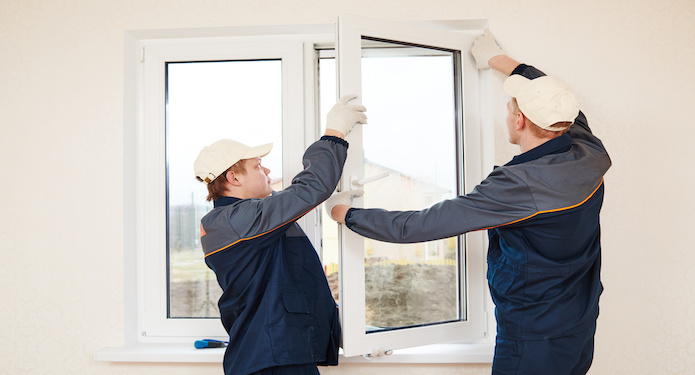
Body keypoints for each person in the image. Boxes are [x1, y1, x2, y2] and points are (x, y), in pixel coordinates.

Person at [326, 30, 611, 375]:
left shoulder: (518, 186)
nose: (507, 115)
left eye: (510, 109)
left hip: (533, 336)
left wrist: (347, 214)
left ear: (519, 120)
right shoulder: (588, 151)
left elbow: (420, 225)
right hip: (579, 323)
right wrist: (499, 60)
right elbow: (558, 96)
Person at [194, 95, 367, 375]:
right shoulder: (239, 219)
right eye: (258, 165)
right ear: (234, 178)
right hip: (272, 360)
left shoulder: (234, 220)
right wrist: (334, 133)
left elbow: (291, 275)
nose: (268, 171)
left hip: (272, 355)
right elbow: (307, 191)